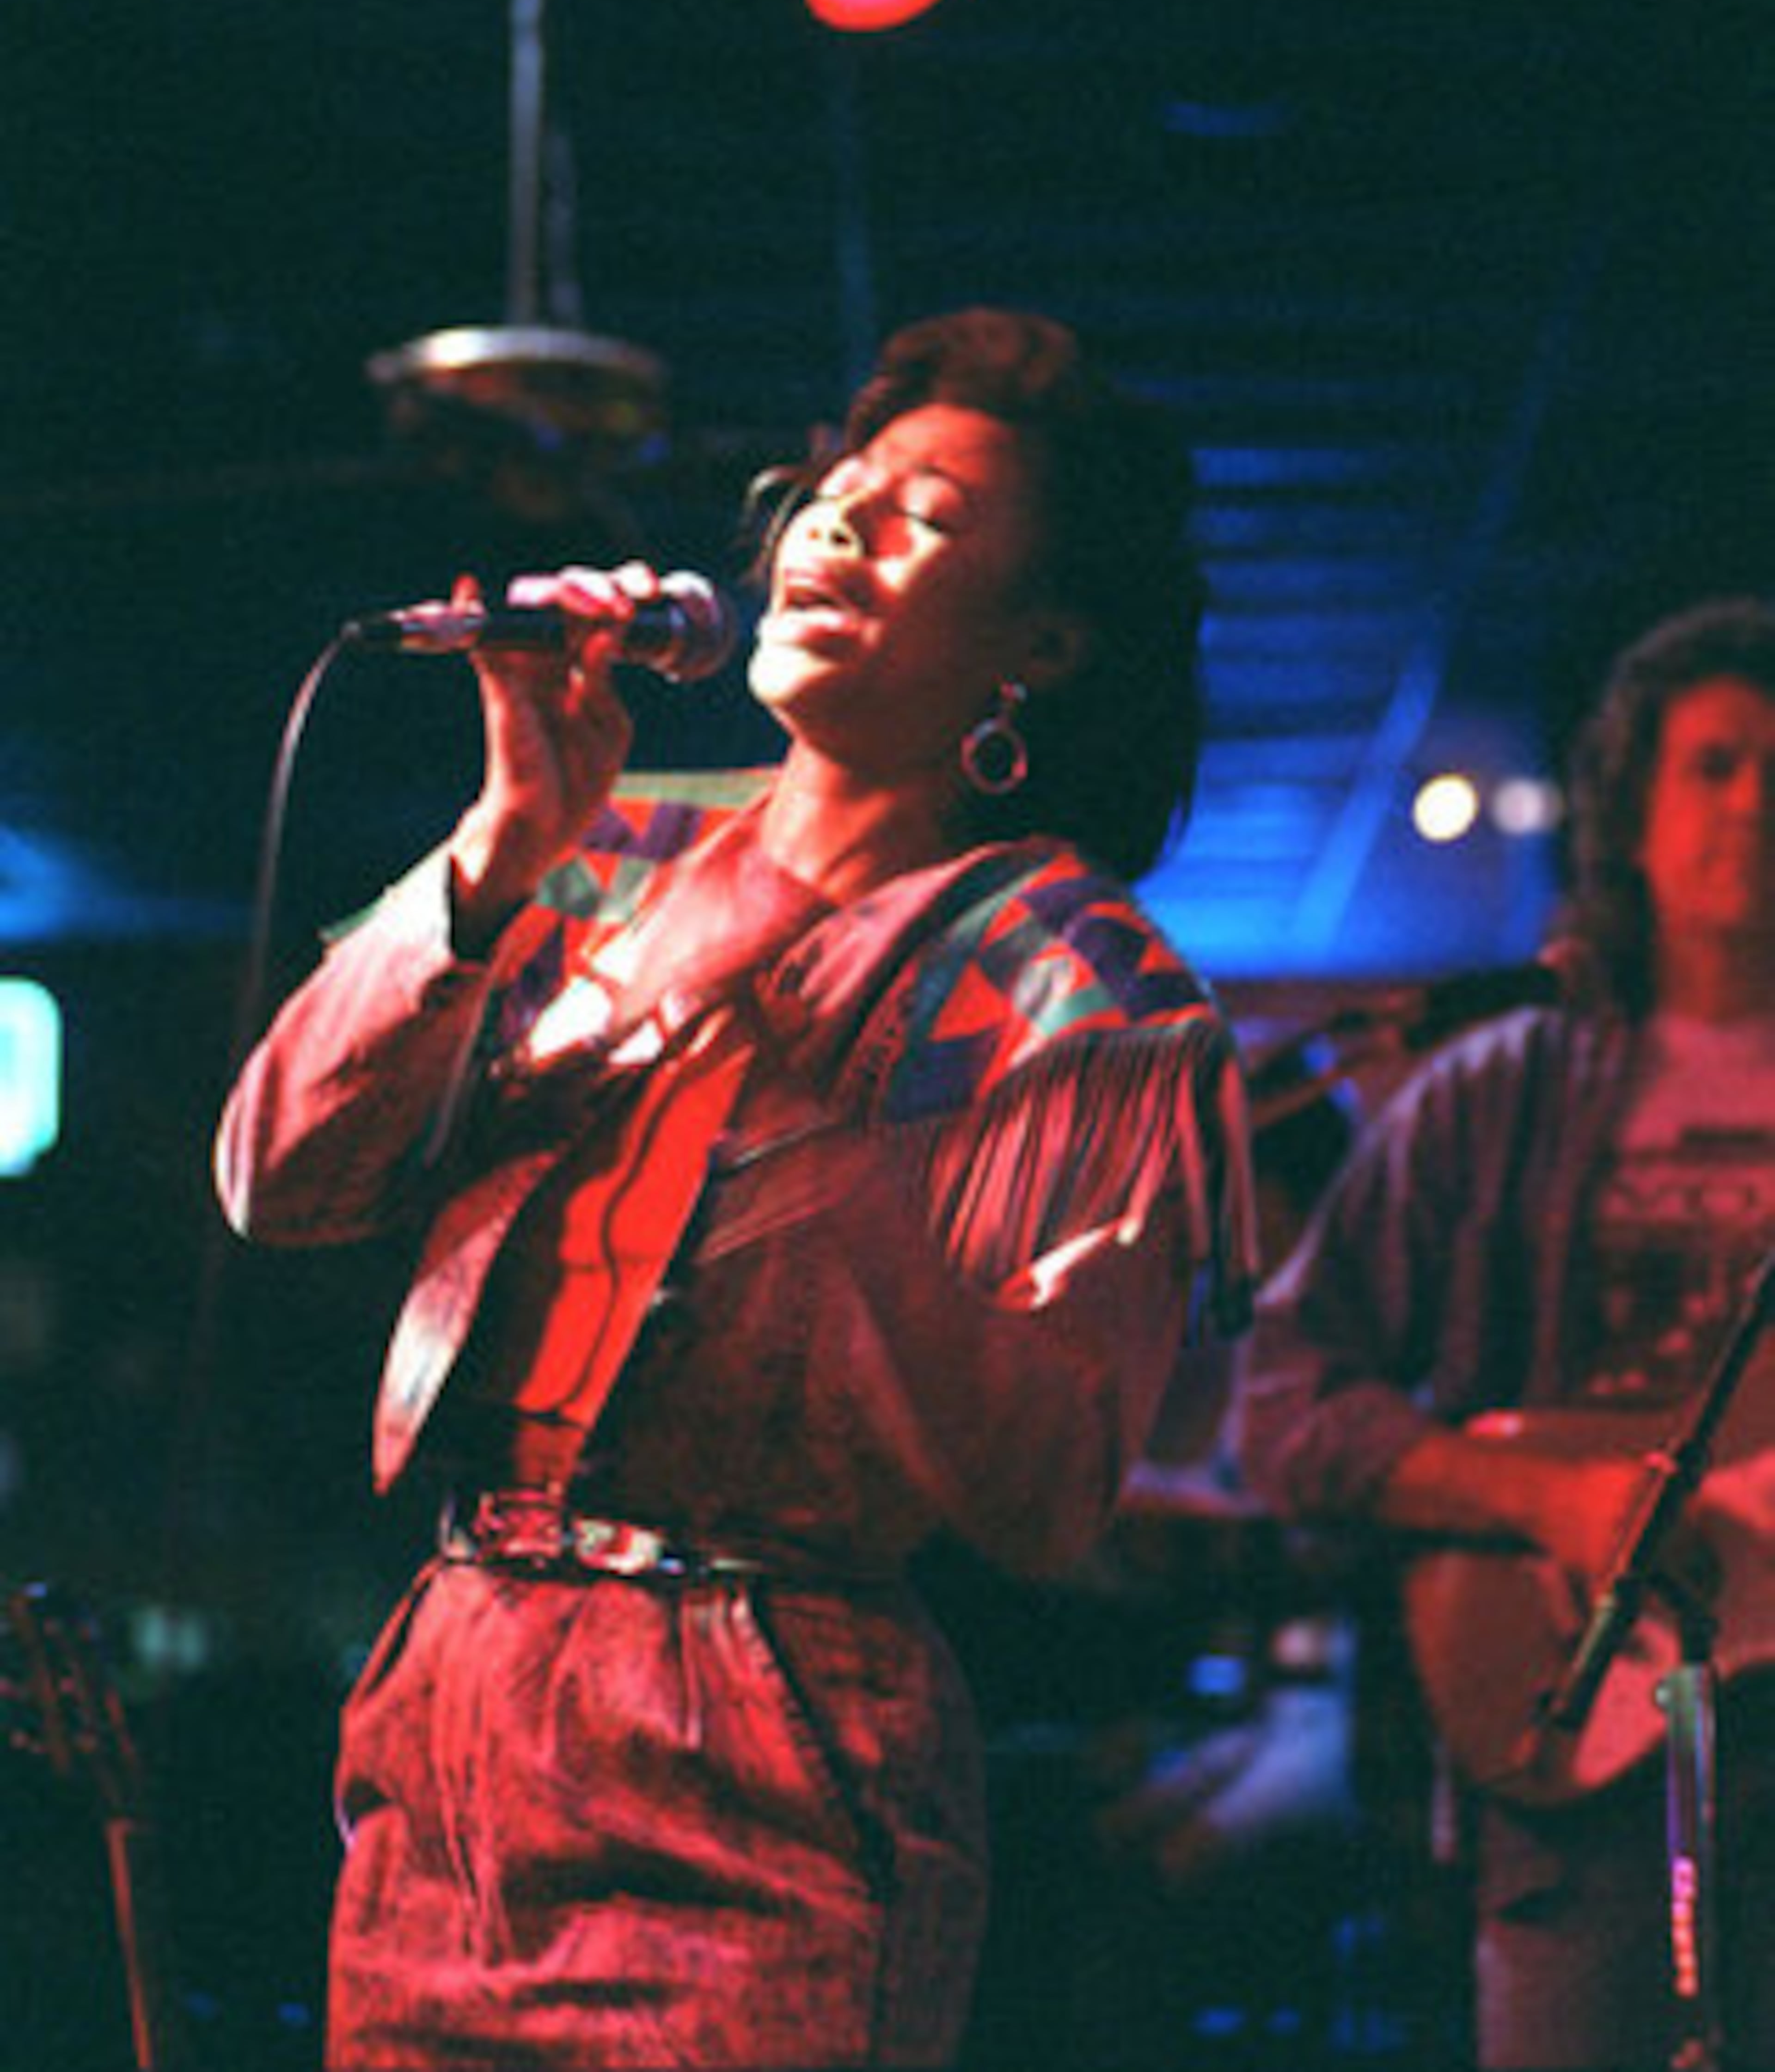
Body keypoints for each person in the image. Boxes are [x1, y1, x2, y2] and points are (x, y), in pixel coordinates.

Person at [214, 308, 1256, 2071]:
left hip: (759, 1727)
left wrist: (836, 1137)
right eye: (841, 490)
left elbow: (1045, 1487)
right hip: (453, 1697)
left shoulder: (1086, 991)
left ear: (1042, 644)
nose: (844, 522)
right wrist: (504, 839)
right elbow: (278, 1174)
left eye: (929, 515)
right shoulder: (600, 848)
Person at [1237, 595, 1775, 2071]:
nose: (1754, 803)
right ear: (1630, 813)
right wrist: (1547, 1499)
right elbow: (1284, 1403)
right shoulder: (1499, 1091)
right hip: (1579, 1758)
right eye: (1715, 764)